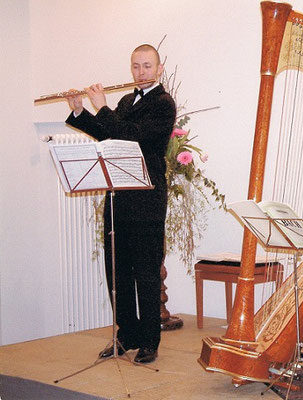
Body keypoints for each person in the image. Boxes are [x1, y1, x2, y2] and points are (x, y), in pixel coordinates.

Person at [65, 44, 176, 364]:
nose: (140, 72)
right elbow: (107, 136)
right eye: (136, 67)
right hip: (118, 197)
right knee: (117, 273)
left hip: (147, 199)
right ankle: (126, 334)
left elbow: (132, 136)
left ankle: (150, 341)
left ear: (159, 67)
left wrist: (102, 107)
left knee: (145, 272)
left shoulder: (164, 103)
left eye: (147, 66)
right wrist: (80, 111)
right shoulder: (127, 100)